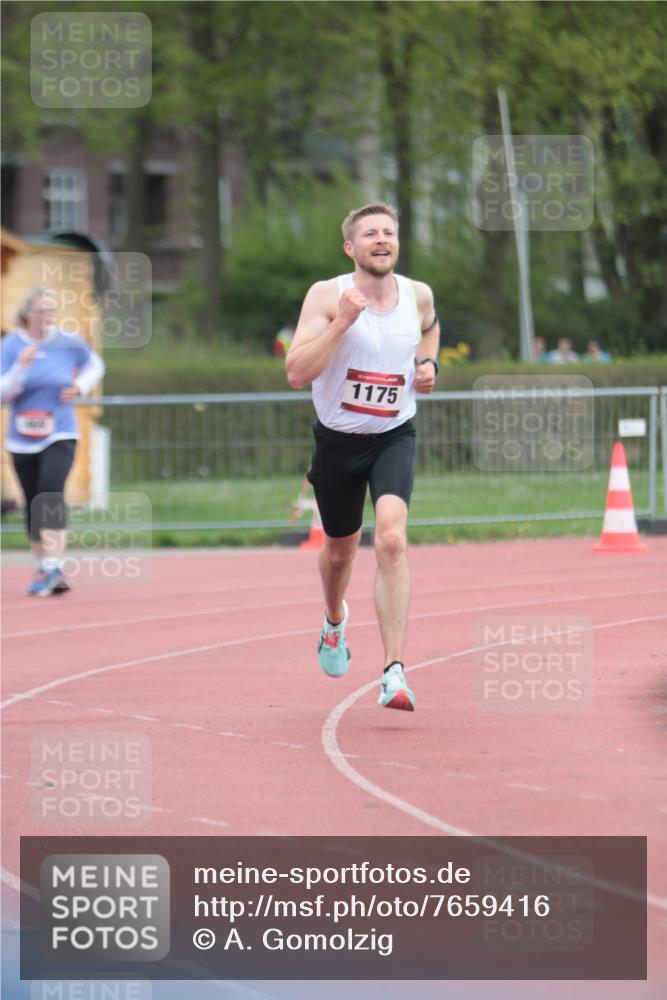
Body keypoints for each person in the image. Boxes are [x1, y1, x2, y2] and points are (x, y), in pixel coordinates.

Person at [285, 202, 439, 712]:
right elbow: (296, 372)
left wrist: (428, 361)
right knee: (339, 552)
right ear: (350, 248)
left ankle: (394, 671)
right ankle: (334, 623)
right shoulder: (327, 296)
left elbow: (432, 326)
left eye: (389, 232)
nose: (382, 239)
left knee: (392, 539)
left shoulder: (417, 294)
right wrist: (341, 324)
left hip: (394, 434)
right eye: (370, 233)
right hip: (338, 441)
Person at [1, 285, 105, 596]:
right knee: (33, 501)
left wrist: (81, 387)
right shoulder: (10, 346)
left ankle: (54, 566)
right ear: (27, 314)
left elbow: (95, 364)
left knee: (51, 492)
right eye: (41, 311)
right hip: (22, 437)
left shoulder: (67, 342)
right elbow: (3, 394)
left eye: (51, 310)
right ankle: (43, 566)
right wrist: (22, 366)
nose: (47, 316)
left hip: (59, 431)